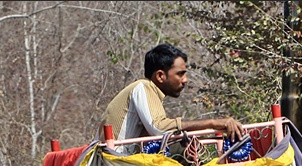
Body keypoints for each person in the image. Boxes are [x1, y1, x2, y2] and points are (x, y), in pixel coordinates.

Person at [102, 43, 246, 145]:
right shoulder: (143, 87)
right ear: (160, 76)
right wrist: (213, 123)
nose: (185, 80)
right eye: (180, 74)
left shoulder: (147, 92)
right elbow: (158, 128)